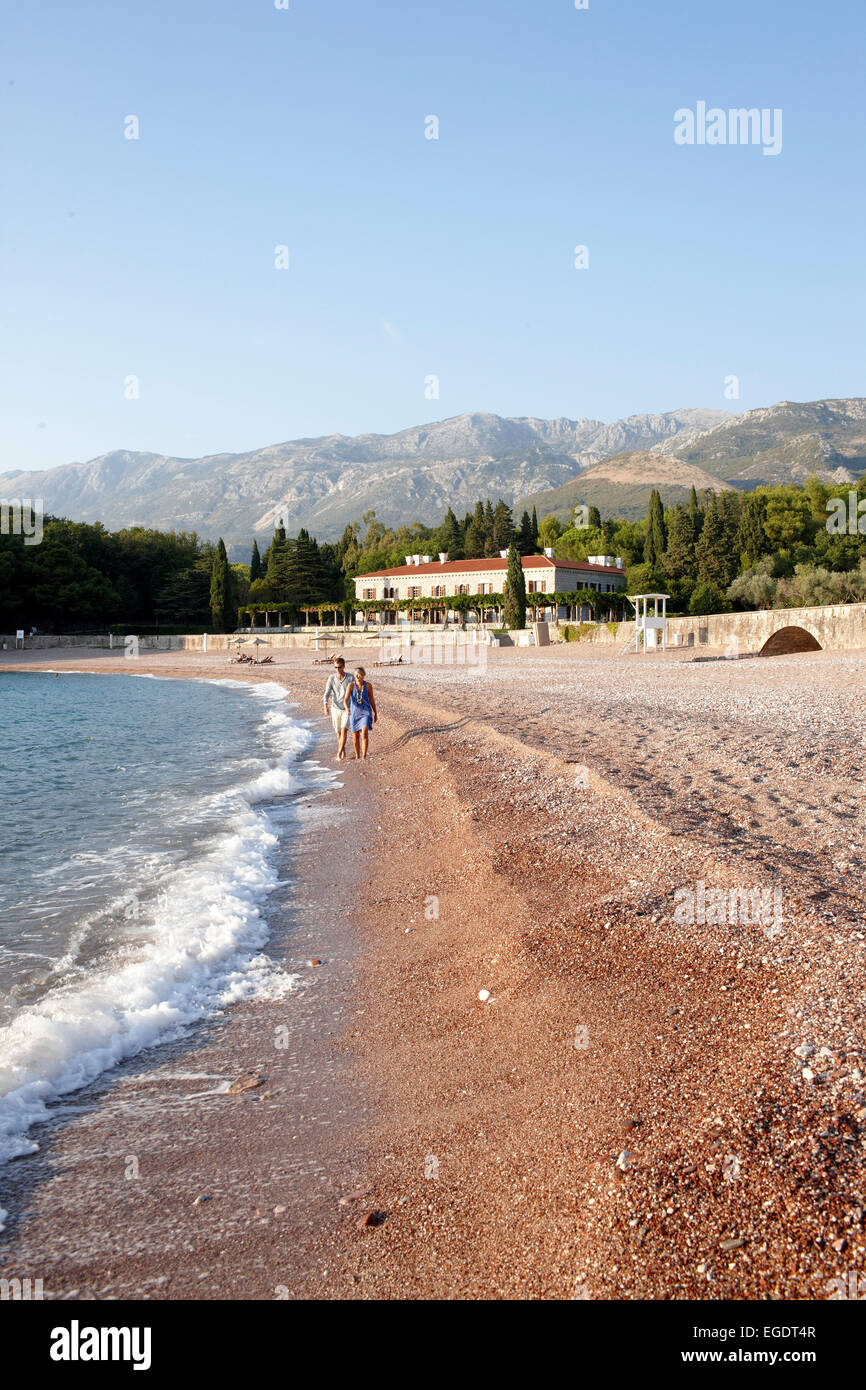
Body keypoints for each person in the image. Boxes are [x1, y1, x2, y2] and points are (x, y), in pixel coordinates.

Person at [323, 655, 353, 760]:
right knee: (338, 732)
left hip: (347, 708)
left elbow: (355, 693)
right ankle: (343, 749)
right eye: (335, 667)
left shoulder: (350, 678)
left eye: (339, 667)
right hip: (335, 708)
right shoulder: (331, 678)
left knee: (344, 730)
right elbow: (327, 693)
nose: (337, 670)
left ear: (344, 666)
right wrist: (325, 705)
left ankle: (339, 753)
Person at [348, 666, 377, 760]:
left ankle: (364, 756)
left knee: (364, 733)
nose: (356, 676)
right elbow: (345, 700)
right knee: (355, 736)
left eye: (358, 674)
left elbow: (372, 699)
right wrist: (346, 709)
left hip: (366, 712)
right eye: (355, 674)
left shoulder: (368, 686)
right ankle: (357, 755)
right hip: (354, 713)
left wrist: (375, 712)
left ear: (363, 675)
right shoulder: (351, 686)